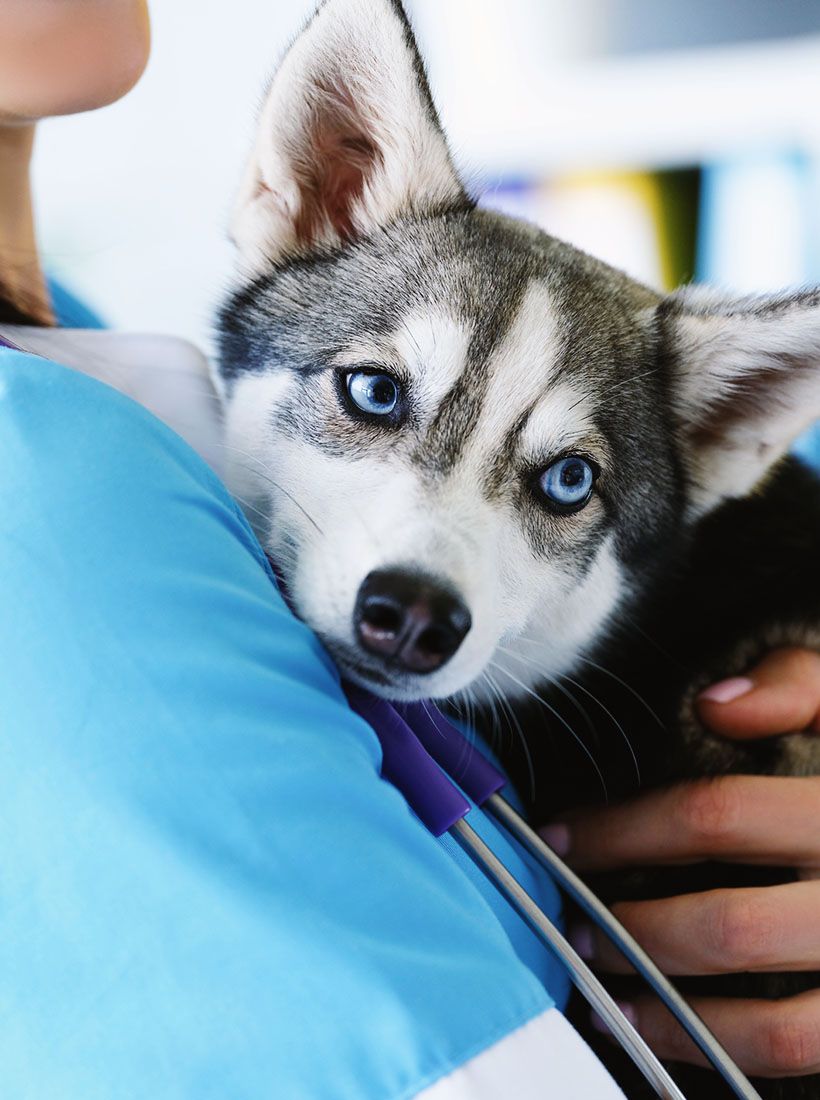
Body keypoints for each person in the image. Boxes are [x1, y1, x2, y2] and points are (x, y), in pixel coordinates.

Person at [1, 0, 818, 1091]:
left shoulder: (85, 351)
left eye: (561, 481)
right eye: (375, 393)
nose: (430, 566)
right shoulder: (48, 494)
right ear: (308, 196)